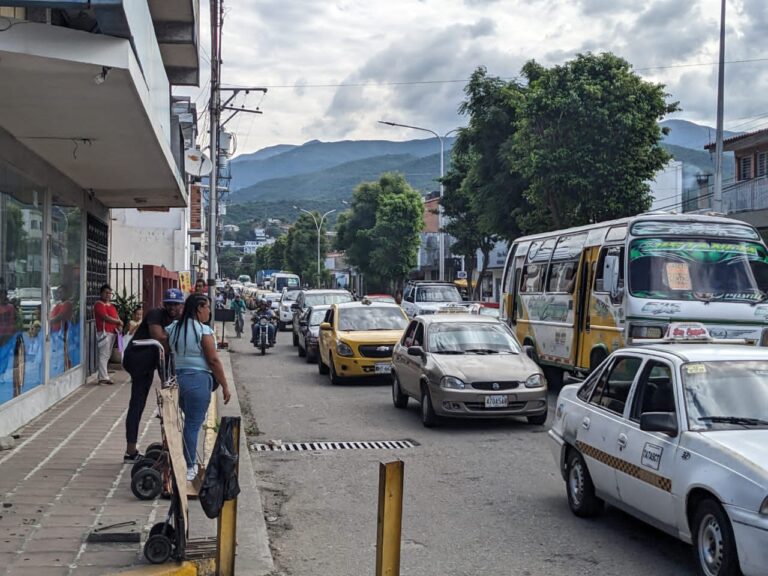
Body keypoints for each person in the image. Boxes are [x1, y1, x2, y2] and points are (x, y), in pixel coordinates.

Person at [166, 294, 231, 481]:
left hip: (177, 380)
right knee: (193, 425)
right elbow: (213, 360)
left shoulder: (173, 329)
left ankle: (184, 459)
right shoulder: (203, 331)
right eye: (207, 307)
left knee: (186, 423)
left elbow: (165, 346)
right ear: (199, 308)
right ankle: (189, 466)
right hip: (198, 381)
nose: (209, 311)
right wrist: (225, 386)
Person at [121, 288, 184, 463]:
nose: (173, 308)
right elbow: (160, 337)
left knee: (170, 399)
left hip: (157, 359)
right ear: (164, 305)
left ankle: (170, 445)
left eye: (176, 305)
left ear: (182, 305)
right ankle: (130, 451)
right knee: (138, 402)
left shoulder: (179, 319)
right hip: (138, 359)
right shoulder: (156, 314)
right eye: (169, 305)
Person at [93, 284, 122, 385]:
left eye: (110, 293)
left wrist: (119, 323)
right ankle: (103, 377)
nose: (108, 295)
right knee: (104, 355)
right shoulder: (99, 304)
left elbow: (116, 316)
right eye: (106, 293)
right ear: (101, 293)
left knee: (107, 355)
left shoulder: (111, 305)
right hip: (104, 332)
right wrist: (118, 322)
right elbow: (105, 317)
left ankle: (103, 375)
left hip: (112, 332)